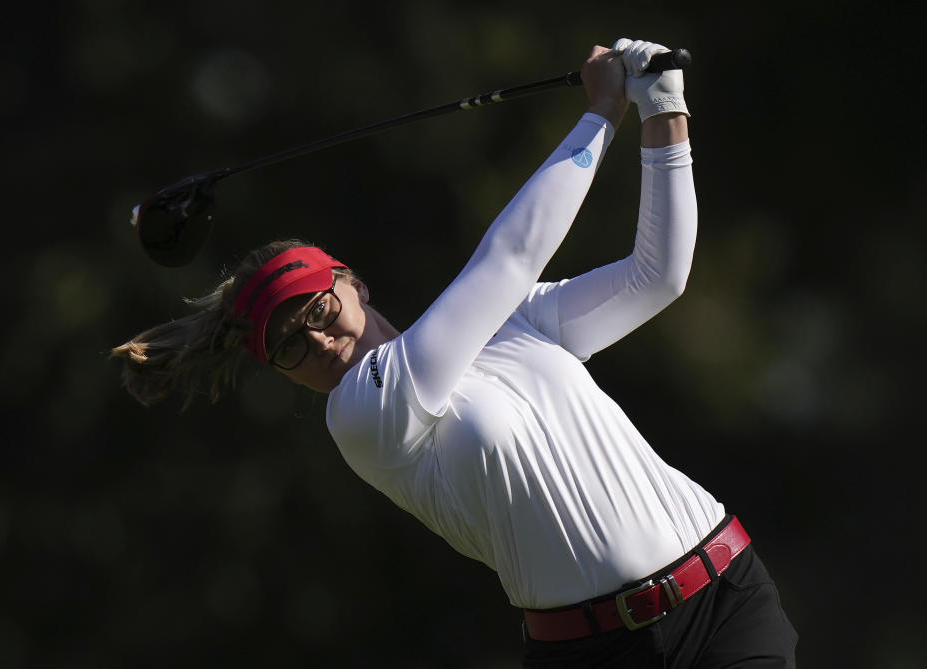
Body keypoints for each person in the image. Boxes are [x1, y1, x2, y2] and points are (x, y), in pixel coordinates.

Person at [113, 39, 798, 668]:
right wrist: (602, 112)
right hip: (594, 654)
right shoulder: (363, 415)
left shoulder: (514, 321)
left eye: (318, 310)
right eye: (288, 344)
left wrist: (664, 107)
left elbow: (659, 275)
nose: (317, 340)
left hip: (724, 598)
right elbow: (510, 255)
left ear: (351, 282)